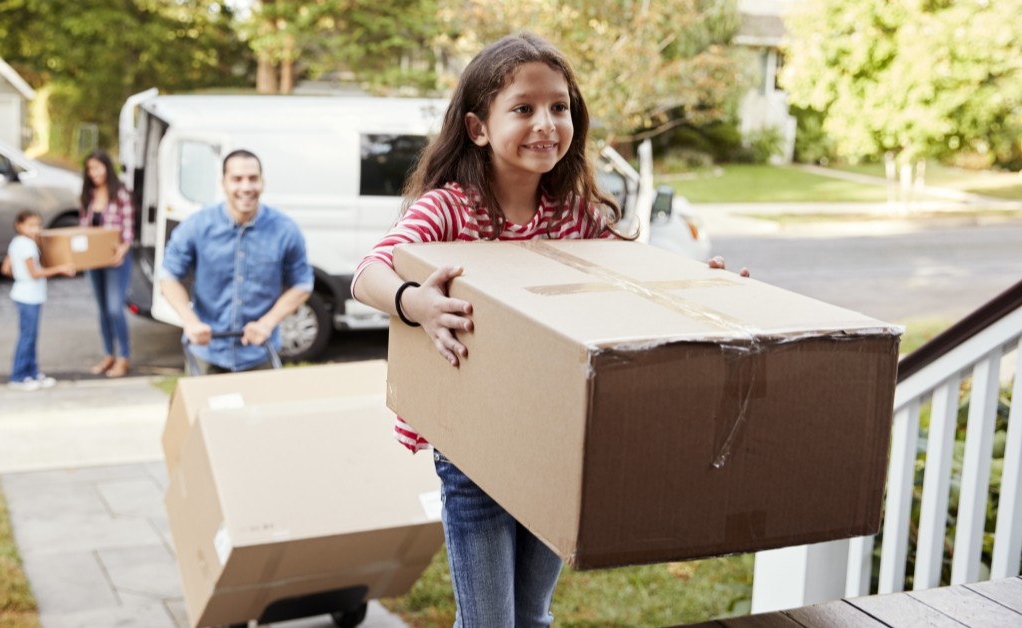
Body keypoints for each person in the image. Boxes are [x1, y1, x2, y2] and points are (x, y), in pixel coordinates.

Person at [351, 33, 748, 626]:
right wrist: (416, 302)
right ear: (478, 127)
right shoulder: (450, 208)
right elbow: (367, 273)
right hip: (473, 445)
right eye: (523, 108)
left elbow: (633, 282)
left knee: (533, 617)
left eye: (559, 107)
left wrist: (700, 288)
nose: (546, 123)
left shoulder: (576, 214)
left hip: (552, 439)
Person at [159, 149, 313, 374]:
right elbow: (168, 276)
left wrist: (268, 322)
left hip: (260, 352)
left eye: (253, 178)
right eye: (237, 179)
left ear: (263, 182)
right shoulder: (196, 226)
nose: (246, 187)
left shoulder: (285, 230)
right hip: (206, 353)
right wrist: (189, 320)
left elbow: (302, 284)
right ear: (223, 183)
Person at [80, 150, 135, 378]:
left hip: (116, 260)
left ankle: (124, 357)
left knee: (115, 308)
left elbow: (129, 230)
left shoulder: (120, 193)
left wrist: (122, 249)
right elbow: (83, 230)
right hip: (94, 261)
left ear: (107, 167)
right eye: (90, 169)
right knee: (102, 310)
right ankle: (108, 355)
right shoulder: (88, 195)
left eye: (97, 168)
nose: (94, 173)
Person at [7, 209, 75, 391]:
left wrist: (19, 274)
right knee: (28, 337)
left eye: (38, 225)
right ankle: (19, 376)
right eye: (30, 225)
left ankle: (32, 372)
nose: (35, 229)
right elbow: (35, 273)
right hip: (29, 296)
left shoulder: (16, 243)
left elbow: (6, 268)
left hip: (23, 293)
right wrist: (60, 268)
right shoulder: (27, 245)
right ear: (19, 226)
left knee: (29, 336)